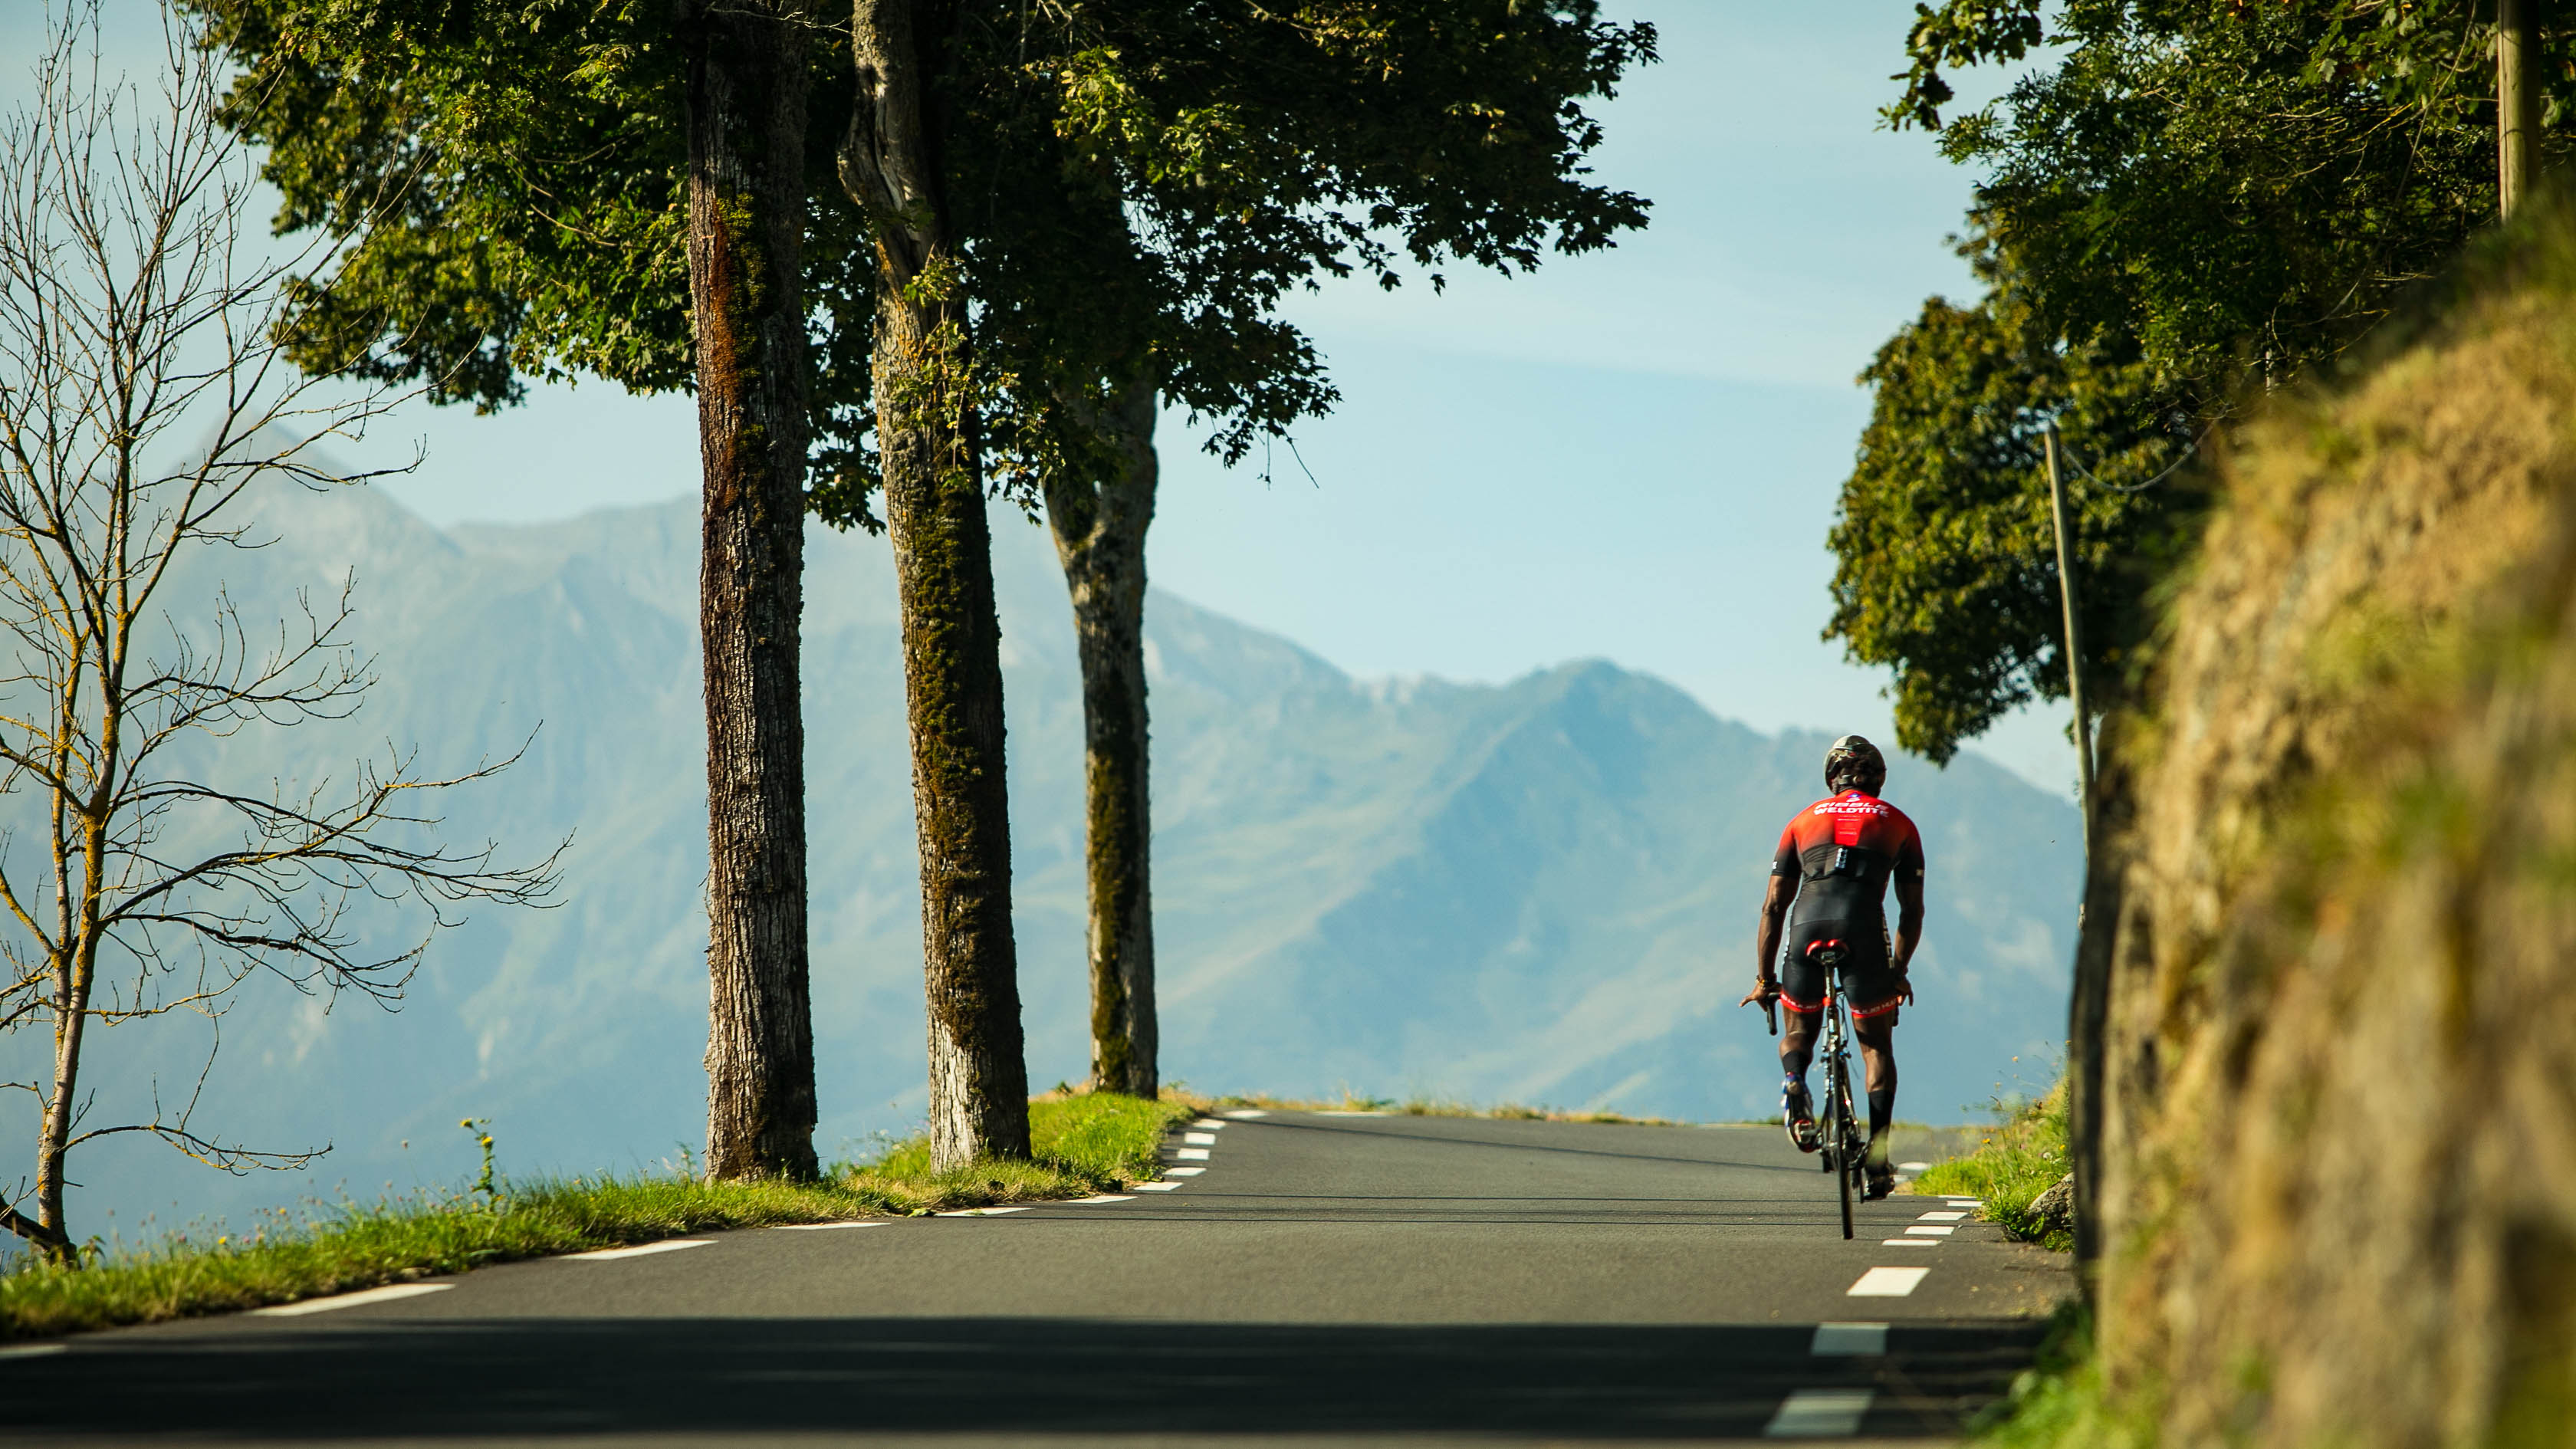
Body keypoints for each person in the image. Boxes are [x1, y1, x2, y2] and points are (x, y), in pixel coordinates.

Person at [1738, 734, 1924, 1200]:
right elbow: (1912, 912)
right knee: (1875, 1047)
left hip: (1806, 923)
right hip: (1863, 929)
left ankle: (1794, 1079)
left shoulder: (1802, 820)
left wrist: (1765, 980)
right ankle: (1878, 1161)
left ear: (1831, 779)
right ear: (1878, 780)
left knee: (1800, 1029)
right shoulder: (1900, 823)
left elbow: (1772, 907)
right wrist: (1897, 971)